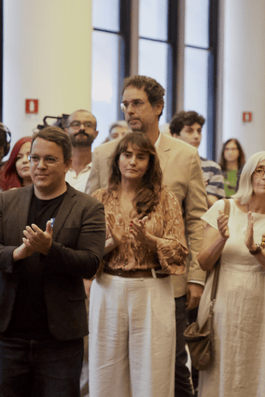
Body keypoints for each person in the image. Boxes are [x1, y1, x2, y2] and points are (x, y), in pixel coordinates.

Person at [86, 75, 207, 397]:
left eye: (137, 103)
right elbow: (87, 222)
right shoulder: (105, 154)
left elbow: (195, 221)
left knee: (168, 367)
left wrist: (196, 278)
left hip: (163, 279)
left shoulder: (184, 155)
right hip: (109, 282)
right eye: (125, 104)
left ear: (158, 107)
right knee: (108, 370)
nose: (129, 110)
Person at [0, 126, 106, 396]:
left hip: (60, 338)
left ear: (68, 164)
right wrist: (17, 253)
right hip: (8, 333)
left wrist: (51, 249)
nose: (39, 166)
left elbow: (91, 263)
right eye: (35, 158)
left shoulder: (88, 207)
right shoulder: (6, 200)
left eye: (50, 159)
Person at [87, 132, 188, 397]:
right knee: (105, 371)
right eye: (127, 155)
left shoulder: (165, 198)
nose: (133, 162)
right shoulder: (99, 197)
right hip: (108, 287)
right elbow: (84, 254)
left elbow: (179, 252)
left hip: (152, 288)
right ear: (117, 159)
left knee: (152, 374)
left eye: (141, 157)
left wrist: (152, 241)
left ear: (150, 162)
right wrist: (111, 243)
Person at [196, 151, 265, 396]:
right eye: (259, 170)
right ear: (248, 174)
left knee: (261, 368)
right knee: (224, 367)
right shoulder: (224, 207)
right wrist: (222, 239)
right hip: (224, 304)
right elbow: (204, 263)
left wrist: (255, 251)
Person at [170, 110, 226, 206]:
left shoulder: (213, 168)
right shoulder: (166, 165)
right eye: (189, 131)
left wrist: (197, 188)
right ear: (175, 136)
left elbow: (215, 205)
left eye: (199, 131)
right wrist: (195, 186)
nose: (196, 136)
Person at [65, 109, 99, 192]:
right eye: (76, 124)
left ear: (96, 134)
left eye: (88, 125)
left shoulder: (102, 168)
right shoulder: (58, 166)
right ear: (66, 132)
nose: (82, 128)